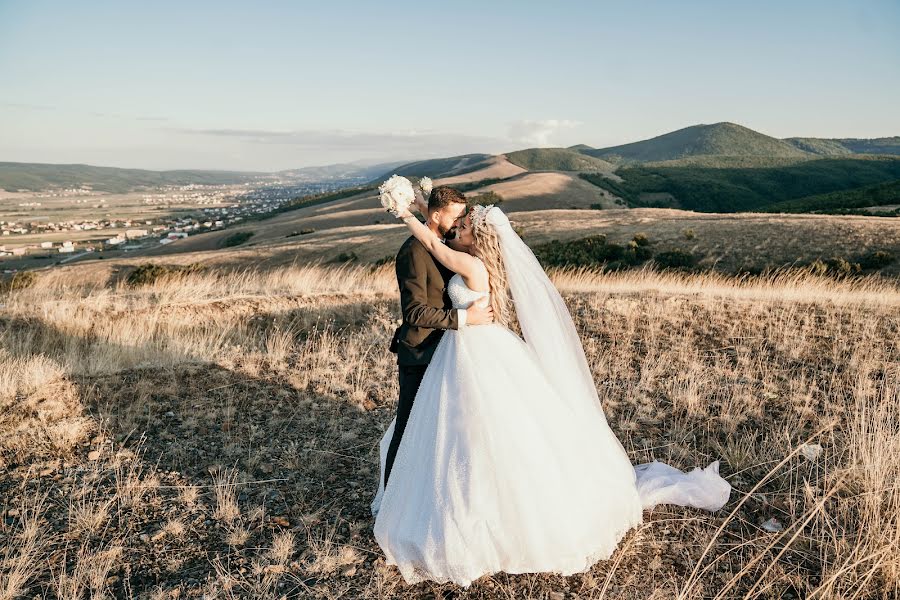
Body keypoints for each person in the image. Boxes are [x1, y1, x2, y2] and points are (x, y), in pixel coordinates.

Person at [372, 189, 731, 587]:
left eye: (465, 224)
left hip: (474, 346)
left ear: (479, 236)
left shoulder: (471, 264)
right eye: (456, 221)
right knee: (470, 425)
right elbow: (435, 243)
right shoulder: (478, 258)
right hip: (467, 348)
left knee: (478, 426)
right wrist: (425, 209)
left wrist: (404, 212)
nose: (458, 227)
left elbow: (431, 243)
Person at [383, 186, 494, 489]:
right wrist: (464, 318)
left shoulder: (451, 246)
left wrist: (418, 207)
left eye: (463, 217)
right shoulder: (413, 251)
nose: (459, 221)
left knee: (445, 431)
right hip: (419, 353)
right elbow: (415, 313)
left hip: (449, 354)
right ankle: (391, 494)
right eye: (456, 215)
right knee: (407, 429)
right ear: (437, 215)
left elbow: (435, 235)